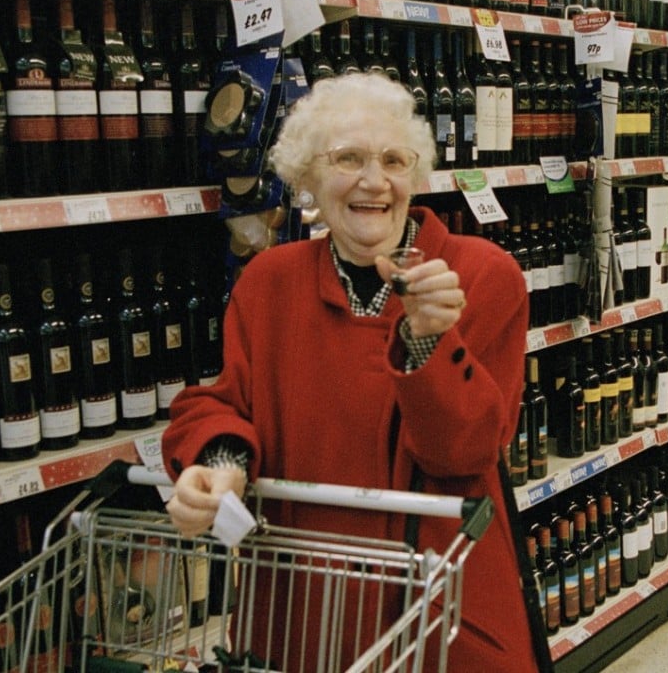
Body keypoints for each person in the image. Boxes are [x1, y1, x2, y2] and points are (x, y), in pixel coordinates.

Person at [161, 72, 539, 671]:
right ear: (307, 177)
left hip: (434, 614)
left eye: (394, 160)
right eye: (348, 159)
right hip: (302, 605)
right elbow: (224, 402)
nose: (374, 180)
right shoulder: (268, 282)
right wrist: (221, 467)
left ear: (415, 178)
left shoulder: (481, 276)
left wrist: (428, 341)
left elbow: (465, 452)